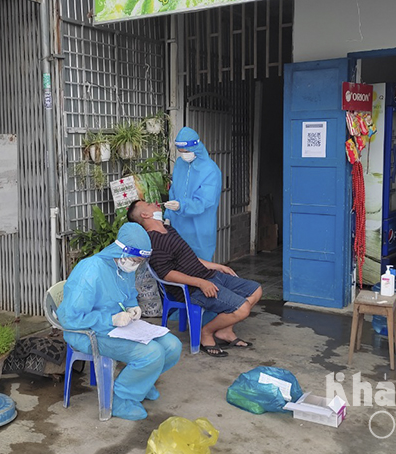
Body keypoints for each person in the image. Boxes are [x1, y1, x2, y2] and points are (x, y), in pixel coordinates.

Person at [57, 223, 182, 420]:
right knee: (152, 353)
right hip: (86, 332)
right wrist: (110, 319)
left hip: (117, 328)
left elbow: (128, 294)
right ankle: (121, 399)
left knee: (172, 345)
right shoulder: (91, 270)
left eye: (140, 260)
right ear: (121, 250)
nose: (136, 264)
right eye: (135, 259)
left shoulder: (125, 268)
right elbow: (70, 318)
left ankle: (142, 383)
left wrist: (133, 306)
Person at [128, 200, 262, 358]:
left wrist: (216, 266)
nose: (154, 204)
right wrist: (200, 283)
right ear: (145, 214)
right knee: (243, 309)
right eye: (149, 204)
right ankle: (206, 333)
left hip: (208, 276)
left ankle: (225, 331)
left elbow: (190, 257)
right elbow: (166, 274)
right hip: (190, 288)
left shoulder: (168, 229)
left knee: (255, 290)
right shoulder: (154, 240)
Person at [164, 127, 222, 261]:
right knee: (180, 265)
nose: (184, 155)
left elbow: (204, 201)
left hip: (199, 228)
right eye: (181, 152)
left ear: (196, 147)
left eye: (187, 151)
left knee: (199, 266)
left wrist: (181, 206)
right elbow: (173, 191)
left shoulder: (210, 170)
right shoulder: (180, 164)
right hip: (178, 226)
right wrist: (168, 216)